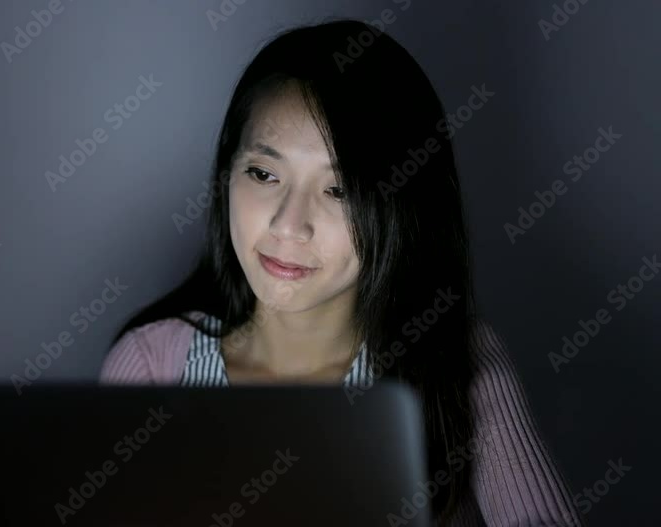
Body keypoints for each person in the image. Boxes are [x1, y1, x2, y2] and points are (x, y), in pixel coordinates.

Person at [98, 19, 584, 526]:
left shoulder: (455, 364)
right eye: (263, 174)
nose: (289, 225)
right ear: (227, 174)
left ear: (402, 206)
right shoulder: (153, 365)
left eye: (339, 190)